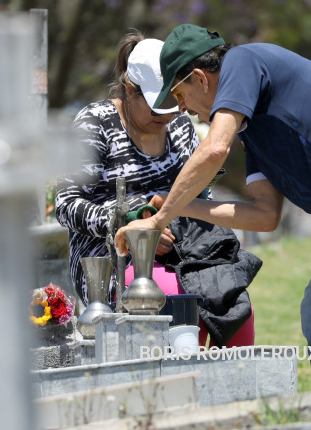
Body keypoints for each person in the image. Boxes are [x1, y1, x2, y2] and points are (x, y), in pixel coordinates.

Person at [116, 24, 311, 389]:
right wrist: (181, 207)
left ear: (200, 78)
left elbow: (214, 149)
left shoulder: (243, 61)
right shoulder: (255, 127)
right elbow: (264, 215)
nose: (187, 112)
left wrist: (159, 220)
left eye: (181, 97)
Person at [56, 31, 258, 348]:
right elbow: (66, 204)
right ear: (128, 90)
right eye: (155, 108)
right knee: (167, 295)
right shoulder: (95, 123)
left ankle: (234, 388)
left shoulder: (179, 124)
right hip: (110, 257)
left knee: (234, 304)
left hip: (184, 249)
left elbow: (200, 195)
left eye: (173, 104)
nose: (166, 116)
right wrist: (132, 221)